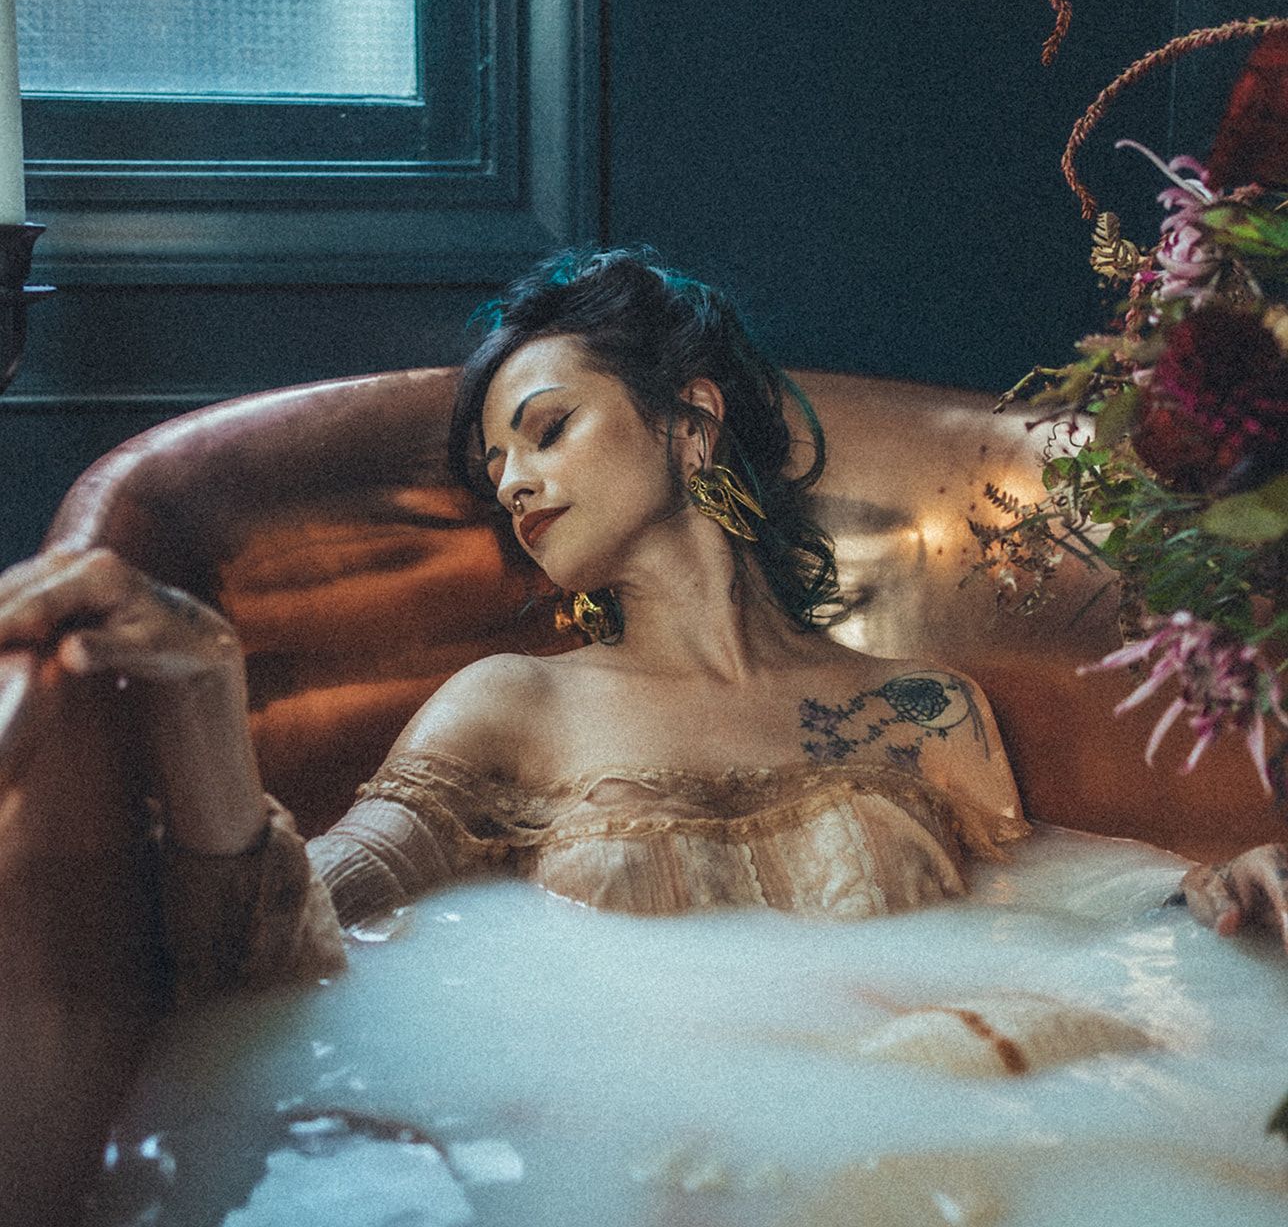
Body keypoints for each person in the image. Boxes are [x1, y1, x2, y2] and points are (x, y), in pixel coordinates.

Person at [0, 247, 1285, 999]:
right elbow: (273, 952)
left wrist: (1210, 894)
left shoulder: (923, 705)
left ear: (691, 420)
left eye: (547, 427)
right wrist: (203, 684)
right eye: (496, 461)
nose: (512, 480)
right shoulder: (514, 705)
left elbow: (1040, 928)